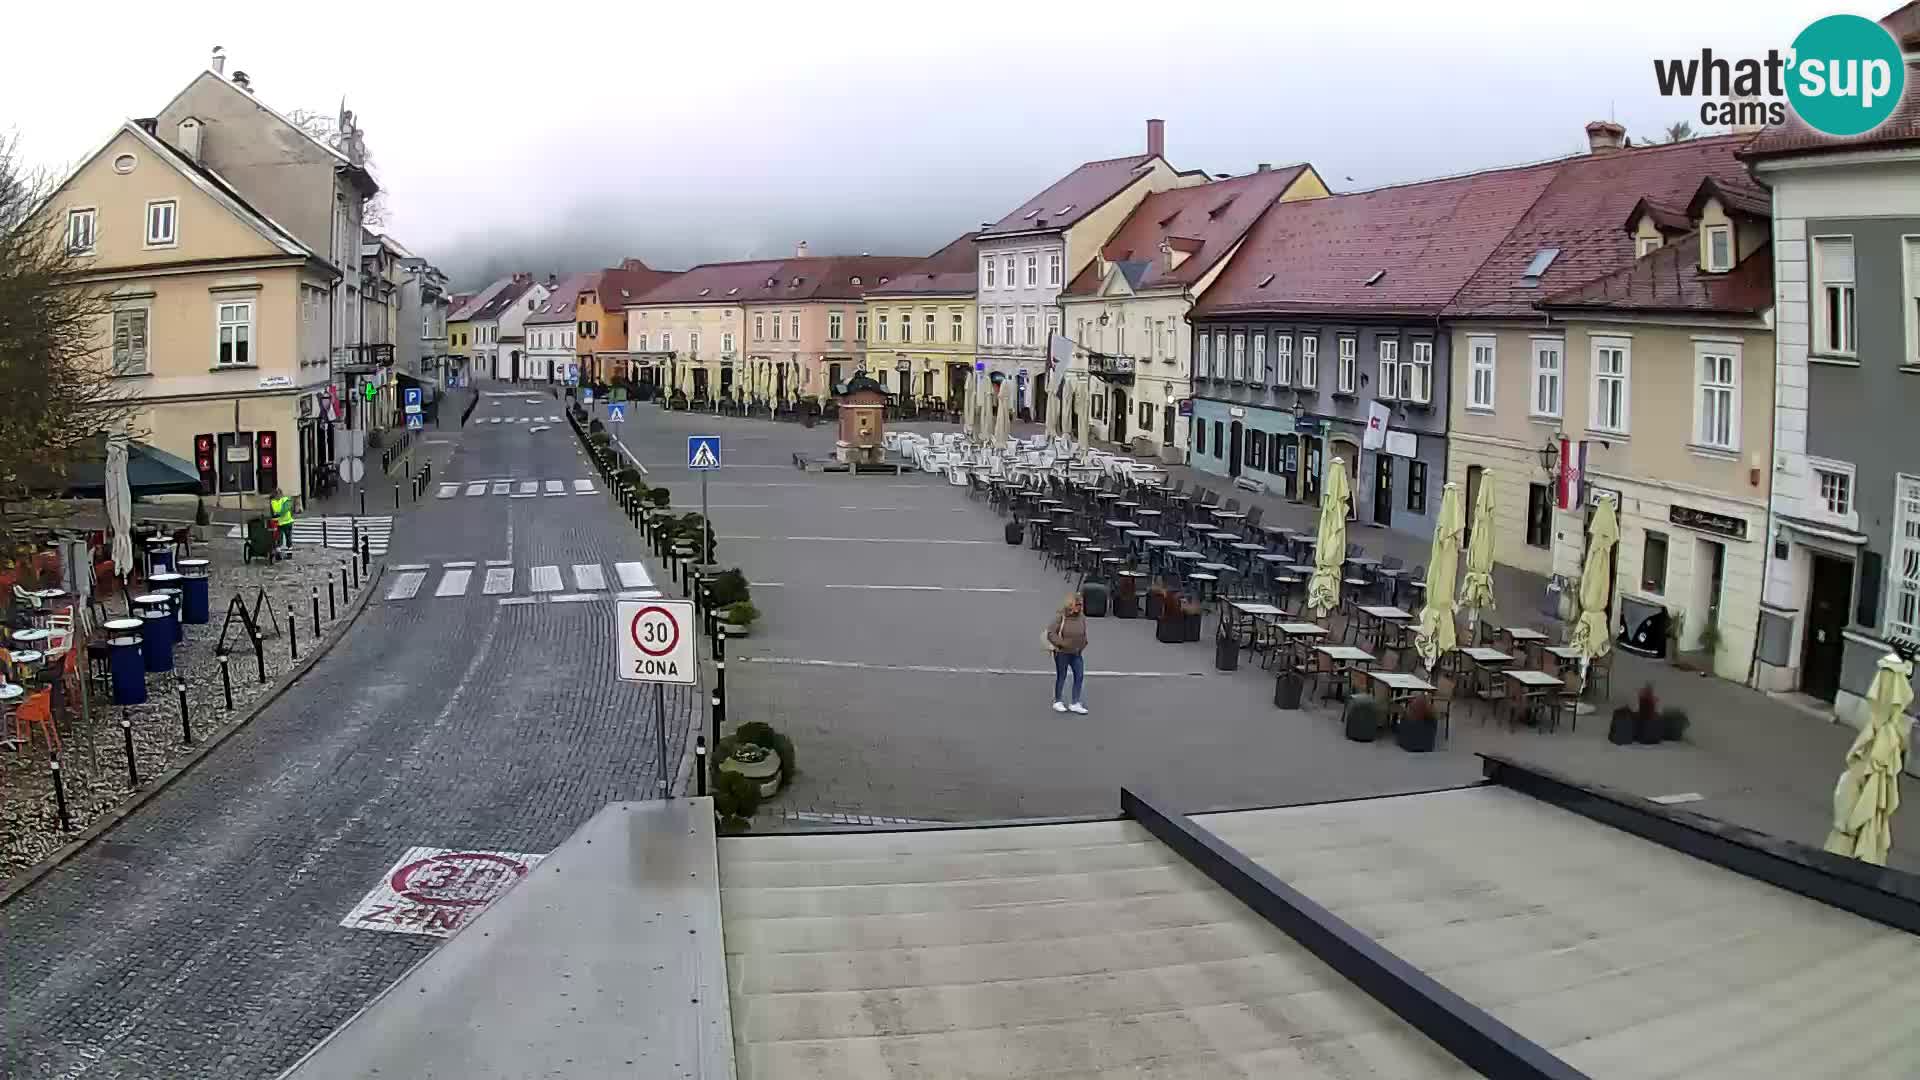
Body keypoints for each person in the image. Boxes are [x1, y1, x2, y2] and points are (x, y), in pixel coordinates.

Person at [1046, 593, 1089, 714]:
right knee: (1062, 676)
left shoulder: (1081, 617)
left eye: (1081, 605)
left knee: (1079, 676)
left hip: (1076, 653)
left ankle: (1075, 702)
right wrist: (1061, 643)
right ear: (1071, 605)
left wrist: (1084, 643)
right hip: (1062, 653)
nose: (1080, 607)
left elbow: (1083, 632)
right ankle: (1057, 700)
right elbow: (1051, 633)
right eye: (1078, 605)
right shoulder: (1061, 617)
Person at [269, 488, 295, 556]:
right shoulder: (273, 502)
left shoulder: (286, 500)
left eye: (278, 494)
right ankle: (279, 553)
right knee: (279, 538)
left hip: (287, 522)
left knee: (287, 538)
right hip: (279, 523)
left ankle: (289, 552)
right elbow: (272, 513)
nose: (277, 496)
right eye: (276, 494)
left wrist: (277, 514)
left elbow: (285, 510)